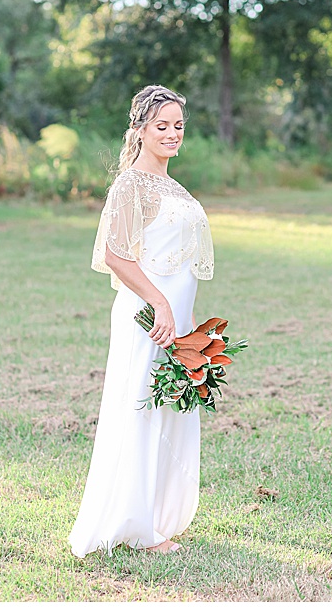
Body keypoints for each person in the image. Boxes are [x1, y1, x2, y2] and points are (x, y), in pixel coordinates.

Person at [69, 85, 215, 557]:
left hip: (176, 318)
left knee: (171, 408)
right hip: (147, 315)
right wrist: (162, 306)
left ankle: (156, 515)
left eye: (178, 126)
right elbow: (116, 255)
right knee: (141, 409)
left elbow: (183, 262)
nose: (172, 134)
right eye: (162, 126)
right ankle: (136, 528)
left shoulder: (172, 186)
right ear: (140, 130)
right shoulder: (131, 184)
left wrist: (193, 333)